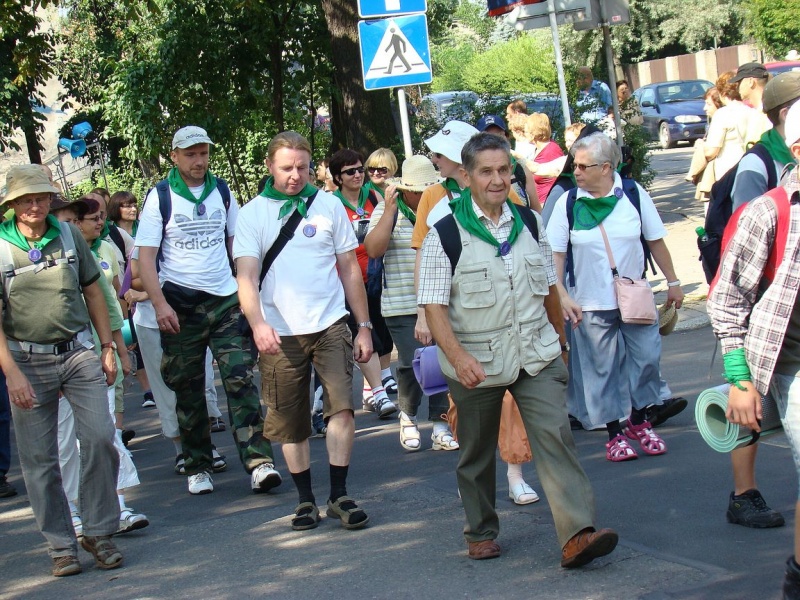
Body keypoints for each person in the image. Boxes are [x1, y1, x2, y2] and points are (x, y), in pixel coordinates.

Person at [418, 132, 618, 565]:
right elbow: (433, 306)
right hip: (476, 362)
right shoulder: (445, 233)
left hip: (536, 352)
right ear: (467, 175)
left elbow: (549, 286)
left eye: (503, 170)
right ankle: (480, 530)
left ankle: (577, 534)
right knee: (475, 452)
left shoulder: (529, 222)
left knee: (555, 437)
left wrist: (560, 342)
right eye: (486, 172)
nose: (496, 180)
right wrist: (458, 358)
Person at [235, 131, 372, 532]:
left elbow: (349, 268)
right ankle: (305, 500)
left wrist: (362, 326)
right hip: (279, 332)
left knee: (341, 409)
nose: (295, 175)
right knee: (289, 419)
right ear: (269, 167)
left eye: (302, 167)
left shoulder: (327, 206)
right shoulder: (253, 214)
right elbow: (246, 275)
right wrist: (258, 323)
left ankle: (339, 494)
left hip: (330, 324)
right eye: (286, 168)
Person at [136, 125, 281, 496]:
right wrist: (160, 303)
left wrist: (246, 288)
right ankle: (198, 464)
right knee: (187, 387)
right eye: (190, 154)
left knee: (240, 379)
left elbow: (236, 243)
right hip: (180, 305)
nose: (199, 161)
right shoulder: (160, 197)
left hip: (224, 301)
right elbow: (146, 260)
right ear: (175, 156)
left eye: (203, 153)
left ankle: (259, 462)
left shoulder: (221, 190)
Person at [0, 164, 123, 576]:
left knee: (101, 437)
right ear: (13, 204)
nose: (36, 206)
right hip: (26, 360)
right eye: (27, 199)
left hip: (78, 352)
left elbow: (93, 288)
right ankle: (60, 546)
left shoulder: (68, 234)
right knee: (40, 459)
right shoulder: (1, 247)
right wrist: (12, 374)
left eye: (41, 198)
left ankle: (98, 532)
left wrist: (107, 346)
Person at [707, 101, 800, 600]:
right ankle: (744, 494)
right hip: (778, 348)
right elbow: (729, 294)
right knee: (749, 414)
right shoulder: (764, 195)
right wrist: (740, 374)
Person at [546, 133, 684, 459]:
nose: (575, 172)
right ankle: (614, 434)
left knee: (648, 359)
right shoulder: (569, 202)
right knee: (601, 370)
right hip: (590, 302)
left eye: (583, 166)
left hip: (634, 296)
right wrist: (562, 295)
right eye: (574, 165)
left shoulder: (633, 195)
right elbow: (554, 254)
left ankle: (637, 420)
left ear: (606, 167)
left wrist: (674, 281)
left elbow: (655, 240)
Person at [363, 155, 457, 452]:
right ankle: (408, 416)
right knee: (410, 363)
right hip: (401, 303)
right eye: (415, 190)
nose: (420, 195)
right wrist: (390, 210)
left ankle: (441, 424)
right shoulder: (387, 210)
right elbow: (373, 250)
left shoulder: (444, 207)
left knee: (443, 360)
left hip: (442, 299)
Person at [328, 148, 397, 418]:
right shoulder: (331, 203)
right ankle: (379, 393)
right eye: (350, 171)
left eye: (360, 169)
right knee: (364, 332)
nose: (358, 175)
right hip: (347, 279)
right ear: (338, 177)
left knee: (381, 333)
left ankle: (370, 392)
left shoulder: (373, 196)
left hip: (376, 275)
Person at [476, 114, 539, 209]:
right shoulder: (473, 172)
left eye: (499, 136)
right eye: (488, 137)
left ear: (507, 138)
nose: (494, 141)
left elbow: (536, 209)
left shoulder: (520, 169)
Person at [730, 62, 773, 138]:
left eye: (739, 82)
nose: (737, 87)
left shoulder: (766, 113)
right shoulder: (759, 111)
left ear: (751, 81)